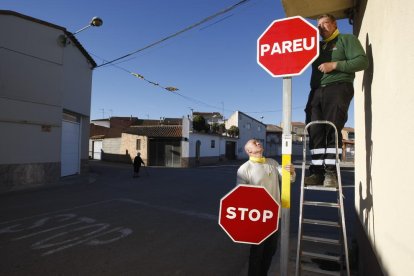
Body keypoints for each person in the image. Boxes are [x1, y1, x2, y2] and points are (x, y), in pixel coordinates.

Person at [305, 14, 369, 187]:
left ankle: (330, 173)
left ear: (334, 24)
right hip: (316, 90)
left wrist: (335, 65)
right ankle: (317, 172)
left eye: (325, 23)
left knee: (332, 128)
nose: (321, 27)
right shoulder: (316, 47)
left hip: (339, 86)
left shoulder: (346, 39)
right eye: (318, 25)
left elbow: (362, 61)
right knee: (315, 129)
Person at [236, 139, 296, 276]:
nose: (257, 142)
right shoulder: (244, 169)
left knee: (271, 250)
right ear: (249, 151)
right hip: (257, 217)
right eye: (253, 142)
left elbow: (290, 180)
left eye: (258, 141)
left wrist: (291, 171)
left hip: (275, 216)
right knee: (257, 252)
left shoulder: (273, 163)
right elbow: (240, 195)